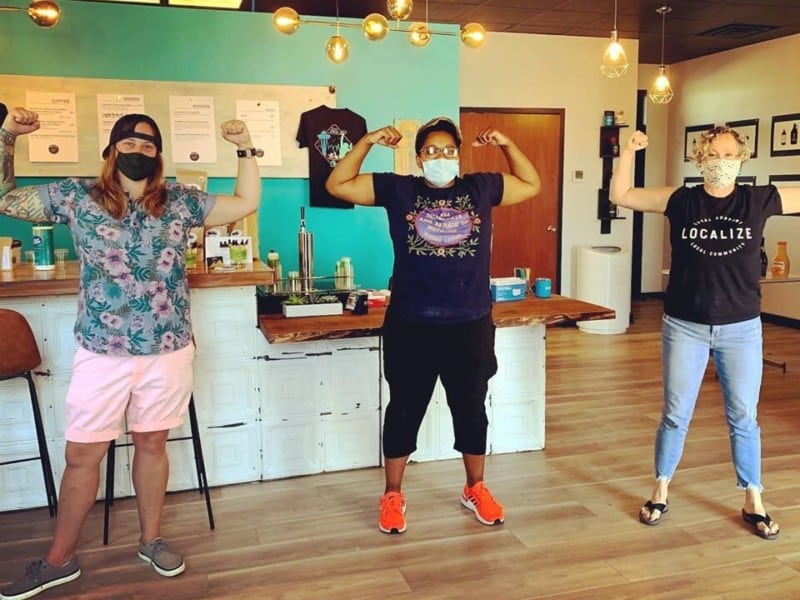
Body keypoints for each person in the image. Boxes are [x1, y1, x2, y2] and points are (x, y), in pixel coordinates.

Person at [0, 107, 261, 599]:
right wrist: (8, 134)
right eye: (129, 141)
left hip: (168, 349)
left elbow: (246, 201)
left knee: (152, 444)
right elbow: (5, 198)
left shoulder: (180, 201)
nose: (138, 149)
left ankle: (151, 539)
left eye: (148, 143)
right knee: (82, 454)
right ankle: (58, 560)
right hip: (102, 350)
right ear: (112, 149)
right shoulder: (77, 196)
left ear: (157, 154)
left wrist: (245, 147)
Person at [325, 116, 541, 534]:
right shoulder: (399, 190)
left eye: (448, 150)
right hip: (411, 324)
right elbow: (338, 184)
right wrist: (368, 140)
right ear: (419, 157)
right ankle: (392, 494)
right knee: (404, 410)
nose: (441, 156)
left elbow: (530, 183)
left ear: (458, 155)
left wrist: (506, 142)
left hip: (470, 323)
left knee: (471, 411)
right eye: (431, 150)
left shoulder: (480, 188)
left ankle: (475, 488)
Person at [610, 126, 800, 540]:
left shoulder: (758, 199)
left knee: (744, 416)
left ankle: (753, 498)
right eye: (713, 155)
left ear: (741, 159)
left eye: (729, 155)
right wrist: (627, 152)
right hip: (684, 326)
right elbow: (621, 195)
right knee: (675, 415)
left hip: (741, 328)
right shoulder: (682, 200)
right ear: (700, 159)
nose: (721, 162)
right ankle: (660, 489)